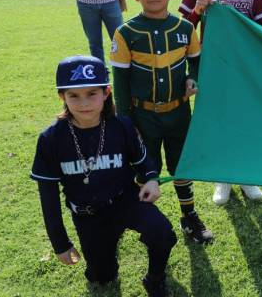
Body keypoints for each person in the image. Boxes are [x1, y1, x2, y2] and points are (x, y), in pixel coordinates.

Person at [31, 55, 176, 297]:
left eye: (92, 93)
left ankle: (155, 279)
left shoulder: (121, 125)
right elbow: (48, 198)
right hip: (88, 214)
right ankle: (103, 262)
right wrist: (60, 243)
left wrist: (151, 178)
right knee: (102, 277)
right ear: (62, 96)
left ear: (106, 92)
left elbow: (143, 162)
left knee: (161, 232)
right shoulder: (51, 139)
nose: (83, 103)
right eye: (73, 95)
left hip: (125, 200)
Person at [110, 0, 214, 244]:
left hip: (179, 113)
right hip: (142, 117)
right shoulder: (126, 33)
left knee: (181, 166)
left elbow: (196, 62)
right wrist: (126, 123)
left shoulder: (184, 28)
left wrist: (193, 78)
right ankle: (147, 221)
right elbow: (119, 83)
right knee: (146, 169)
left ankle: (189, 216)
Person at [178, 0, 262, 205]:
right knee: (216, 120)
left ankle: (246, 175)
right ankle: (223, 178)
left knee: (243, 120)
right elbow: (182, 30)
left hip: (242, 68)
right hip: (211, 66)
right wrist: (196, 11)